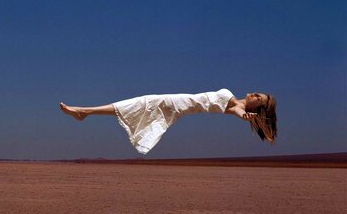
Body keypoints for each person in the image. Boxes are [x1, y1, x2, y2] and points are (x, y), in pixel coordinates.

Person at [59, 88, 277, 155]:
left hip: (178, 104)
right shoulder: (236, 99)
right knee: (136, 105)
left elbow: (240, 114)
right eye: (259, 94)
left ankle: (83, 111)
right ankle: (84, 111)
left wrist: (247, 117)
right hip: (177, 102)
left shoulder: (238, 107)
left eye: (260, 99)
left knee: (139, 103)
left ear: (257, 107)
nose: (256, 95)